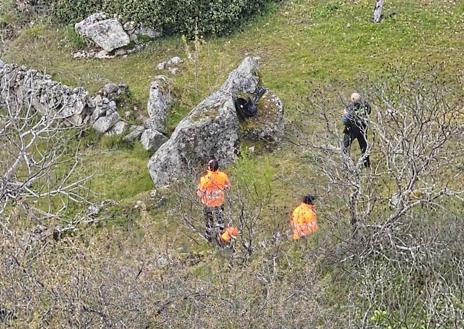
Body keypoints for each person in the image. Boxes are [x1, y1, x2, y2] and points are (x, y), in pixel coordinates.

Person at [197, 159, 231, 242]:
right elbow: (228, 186)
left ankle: (209, 235)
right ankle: (222, 235)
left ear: (209, 168)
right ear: (218, 167)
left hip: (207, 203)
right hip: (219, 201)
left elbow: (200, 193)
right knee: (220, 218)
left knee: (209, 220)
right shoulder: (223, 176)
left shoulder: (204, 179)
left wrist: (199, 194)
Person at [342, 92, 372, 167]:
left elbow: (346, 119)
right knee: (364, 146)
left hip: (351, 130)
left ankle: (346, 164)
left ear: (352, 99)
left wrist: (345, 113)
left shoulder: (350, 107)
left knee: (345, 147)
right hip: (362, 128)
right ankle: (367, 164)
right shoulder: (365, 105)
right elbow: (369, 110)